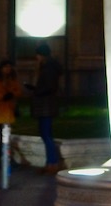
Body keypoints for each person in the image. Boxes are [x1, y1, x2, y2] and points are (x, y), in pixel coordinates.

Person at [26, 42, 64, 173]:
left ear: (41, 55)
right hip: (47, 104)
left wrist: (36, 91)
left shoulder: (48, 68)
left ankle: (52, 164)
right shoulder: (50, 67)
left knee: (46, 134)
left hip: (46, 105)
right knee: (45, 133)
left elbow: (48, 87)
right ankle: (50, 163)